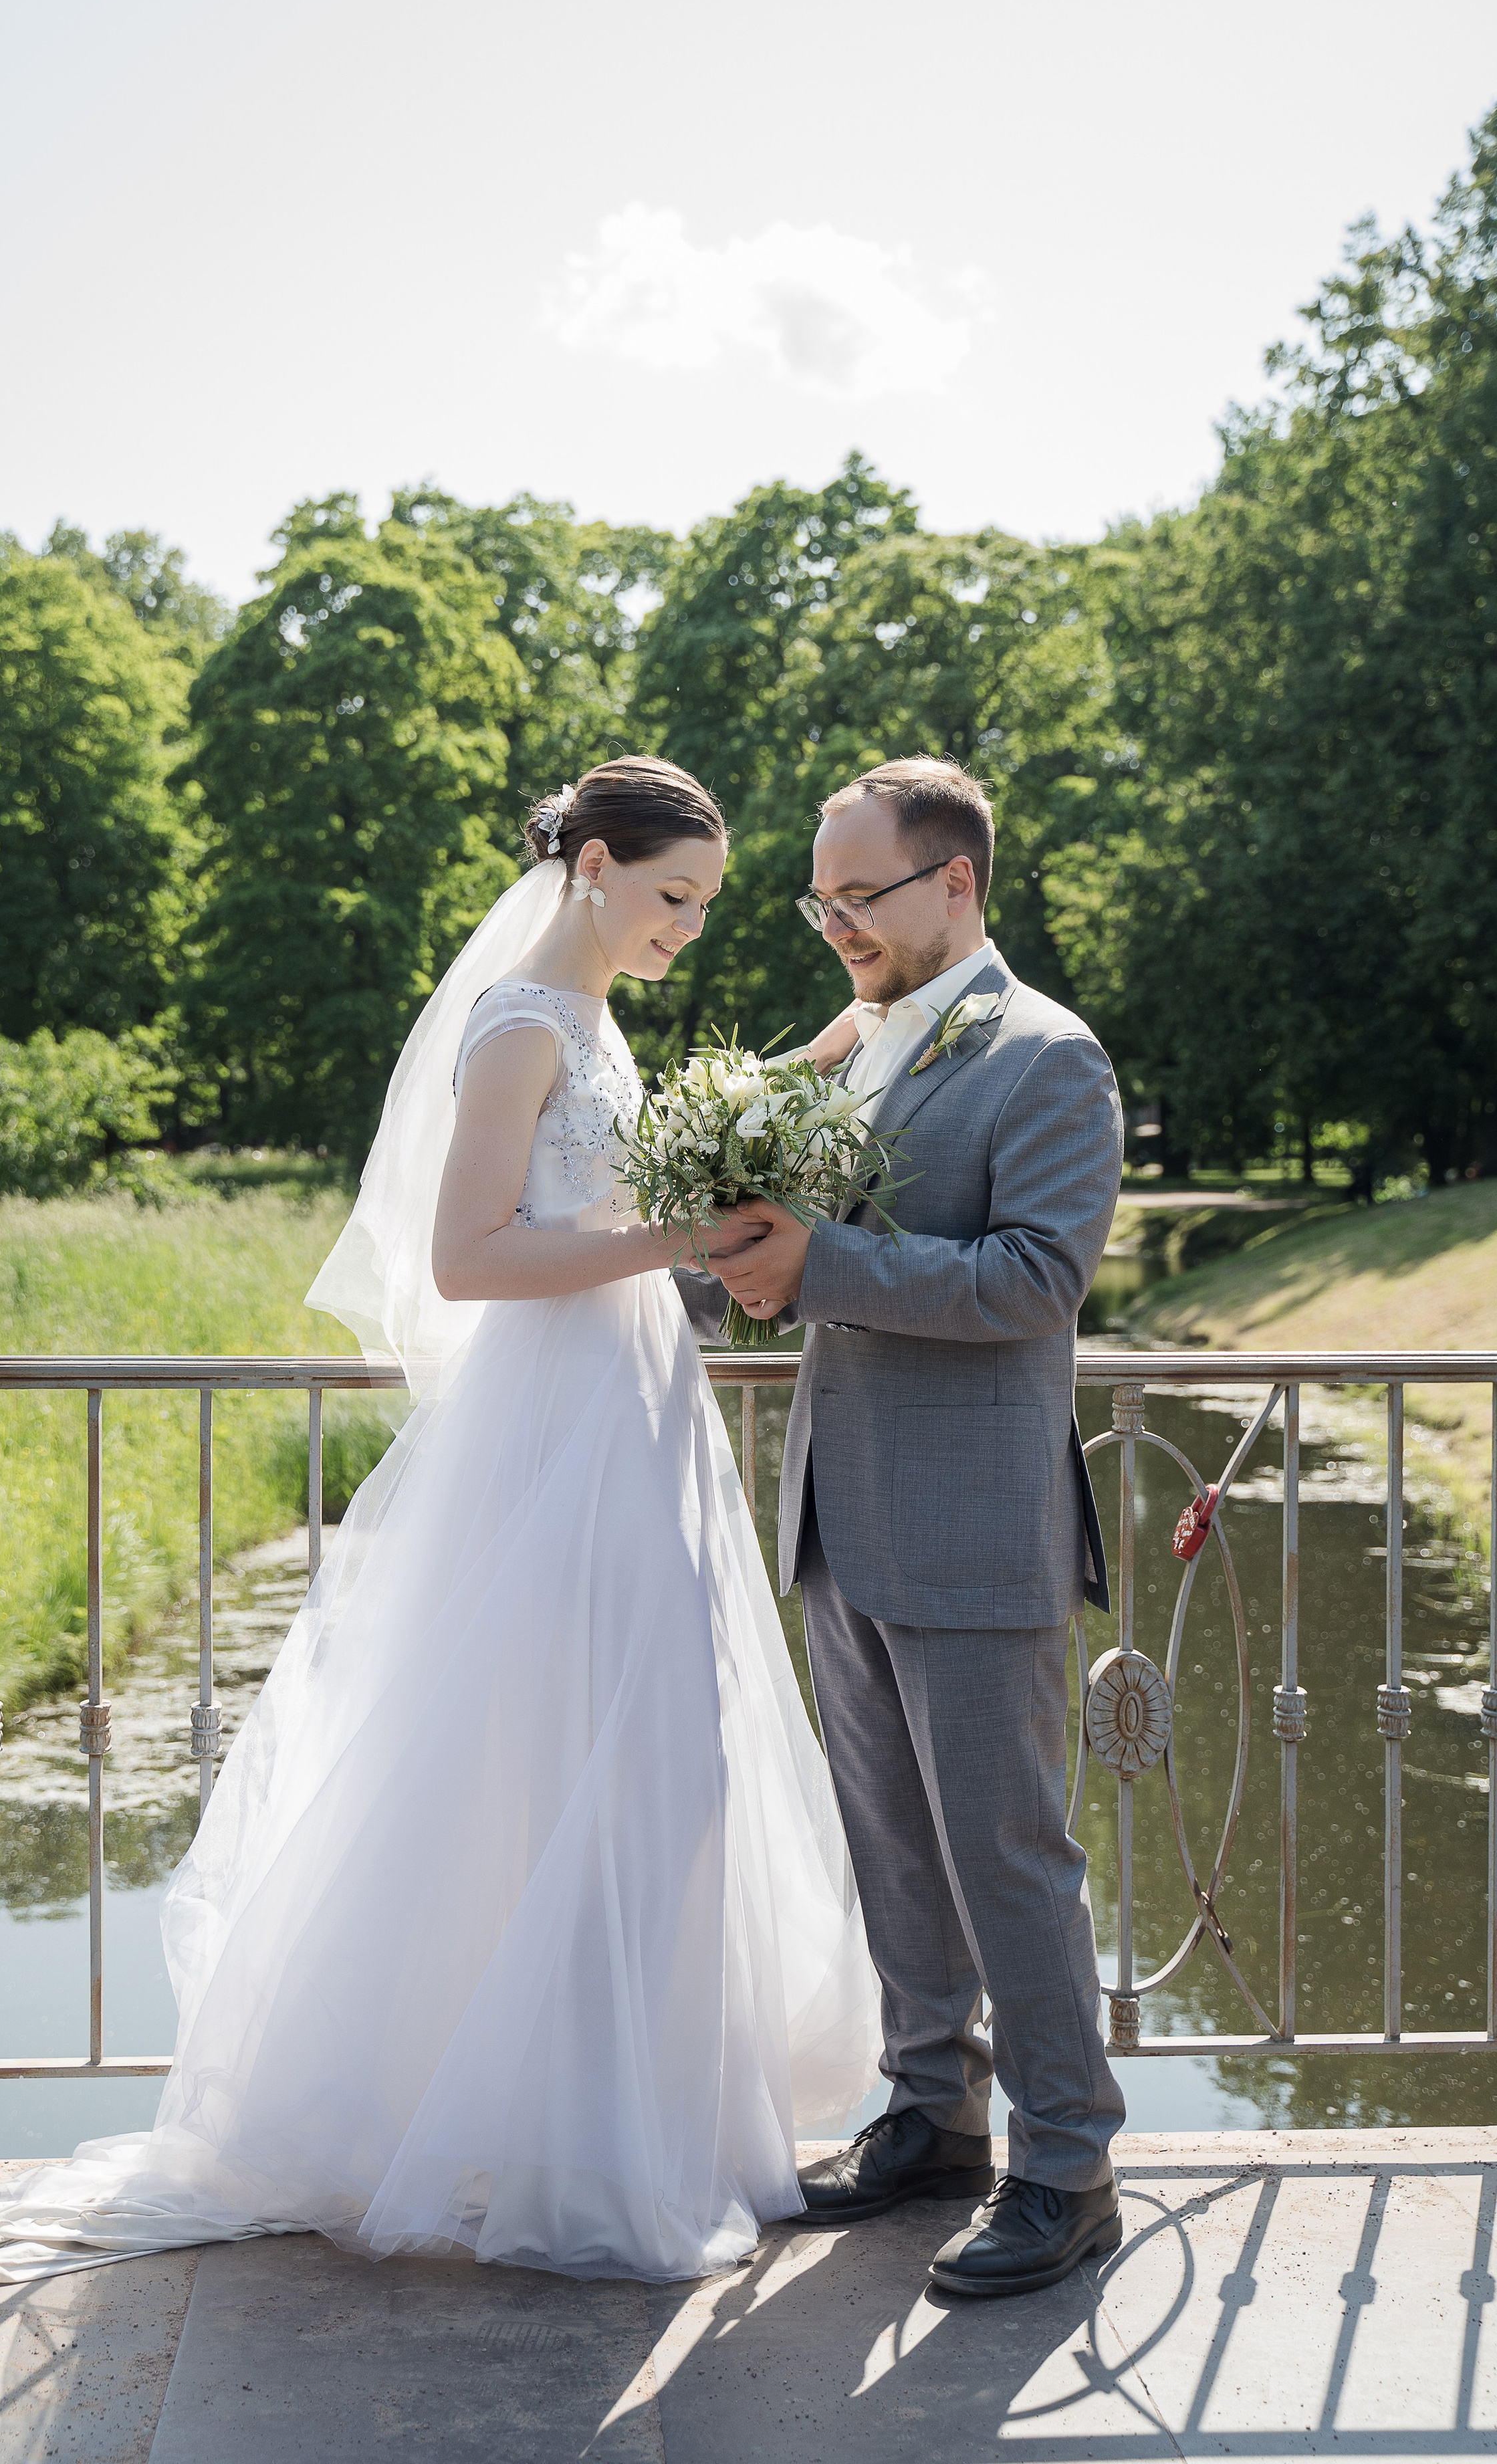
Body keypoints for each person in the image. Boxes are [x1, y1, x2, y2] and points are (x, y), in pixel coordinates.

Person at [0, 756, 881, 2288]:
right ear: (588, 864)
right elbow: (467, 1258)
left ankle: (621, 2119)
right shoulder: (519, 1023)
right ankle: (562, 2142)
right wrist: (687, 1241)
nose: (685, 931)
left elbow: (608, 1186)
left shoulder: (595, 1024)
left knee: (654, 1760)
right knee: (562, 1757)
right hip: (560, 1421)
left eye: (704, 907)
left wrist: (820, 1067)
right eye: (669, 898)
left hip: (633, 1405)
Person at [696, 755, 1127, 2301]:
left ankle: (1067, 2168)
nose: (832, 926)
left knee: (1006, 1858)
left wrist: (814, 1265)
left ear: (954, 883)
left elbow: (1030, 1283)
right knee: (891, 1845)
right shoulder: (865, 1042)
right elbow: (794, 1243)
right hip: (841, 1513)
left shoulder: (1047, 1059)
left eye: (856, 896)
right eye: (818, 900)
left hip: (971, 1525)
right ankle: (929, 2114)